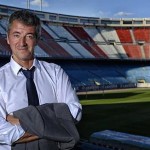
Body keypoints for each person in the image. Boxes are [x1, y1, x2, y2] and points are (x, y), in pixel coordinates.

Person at [0, 9, 82, 150]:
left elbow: (75, 111)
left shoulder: (55, 72)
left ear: (37, 39)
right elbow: (2, 133)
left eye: (29, 36)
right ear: (7, 38)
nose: (22, 42)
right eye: (16, 35)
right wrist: (54, 124)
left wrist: (22, 120)